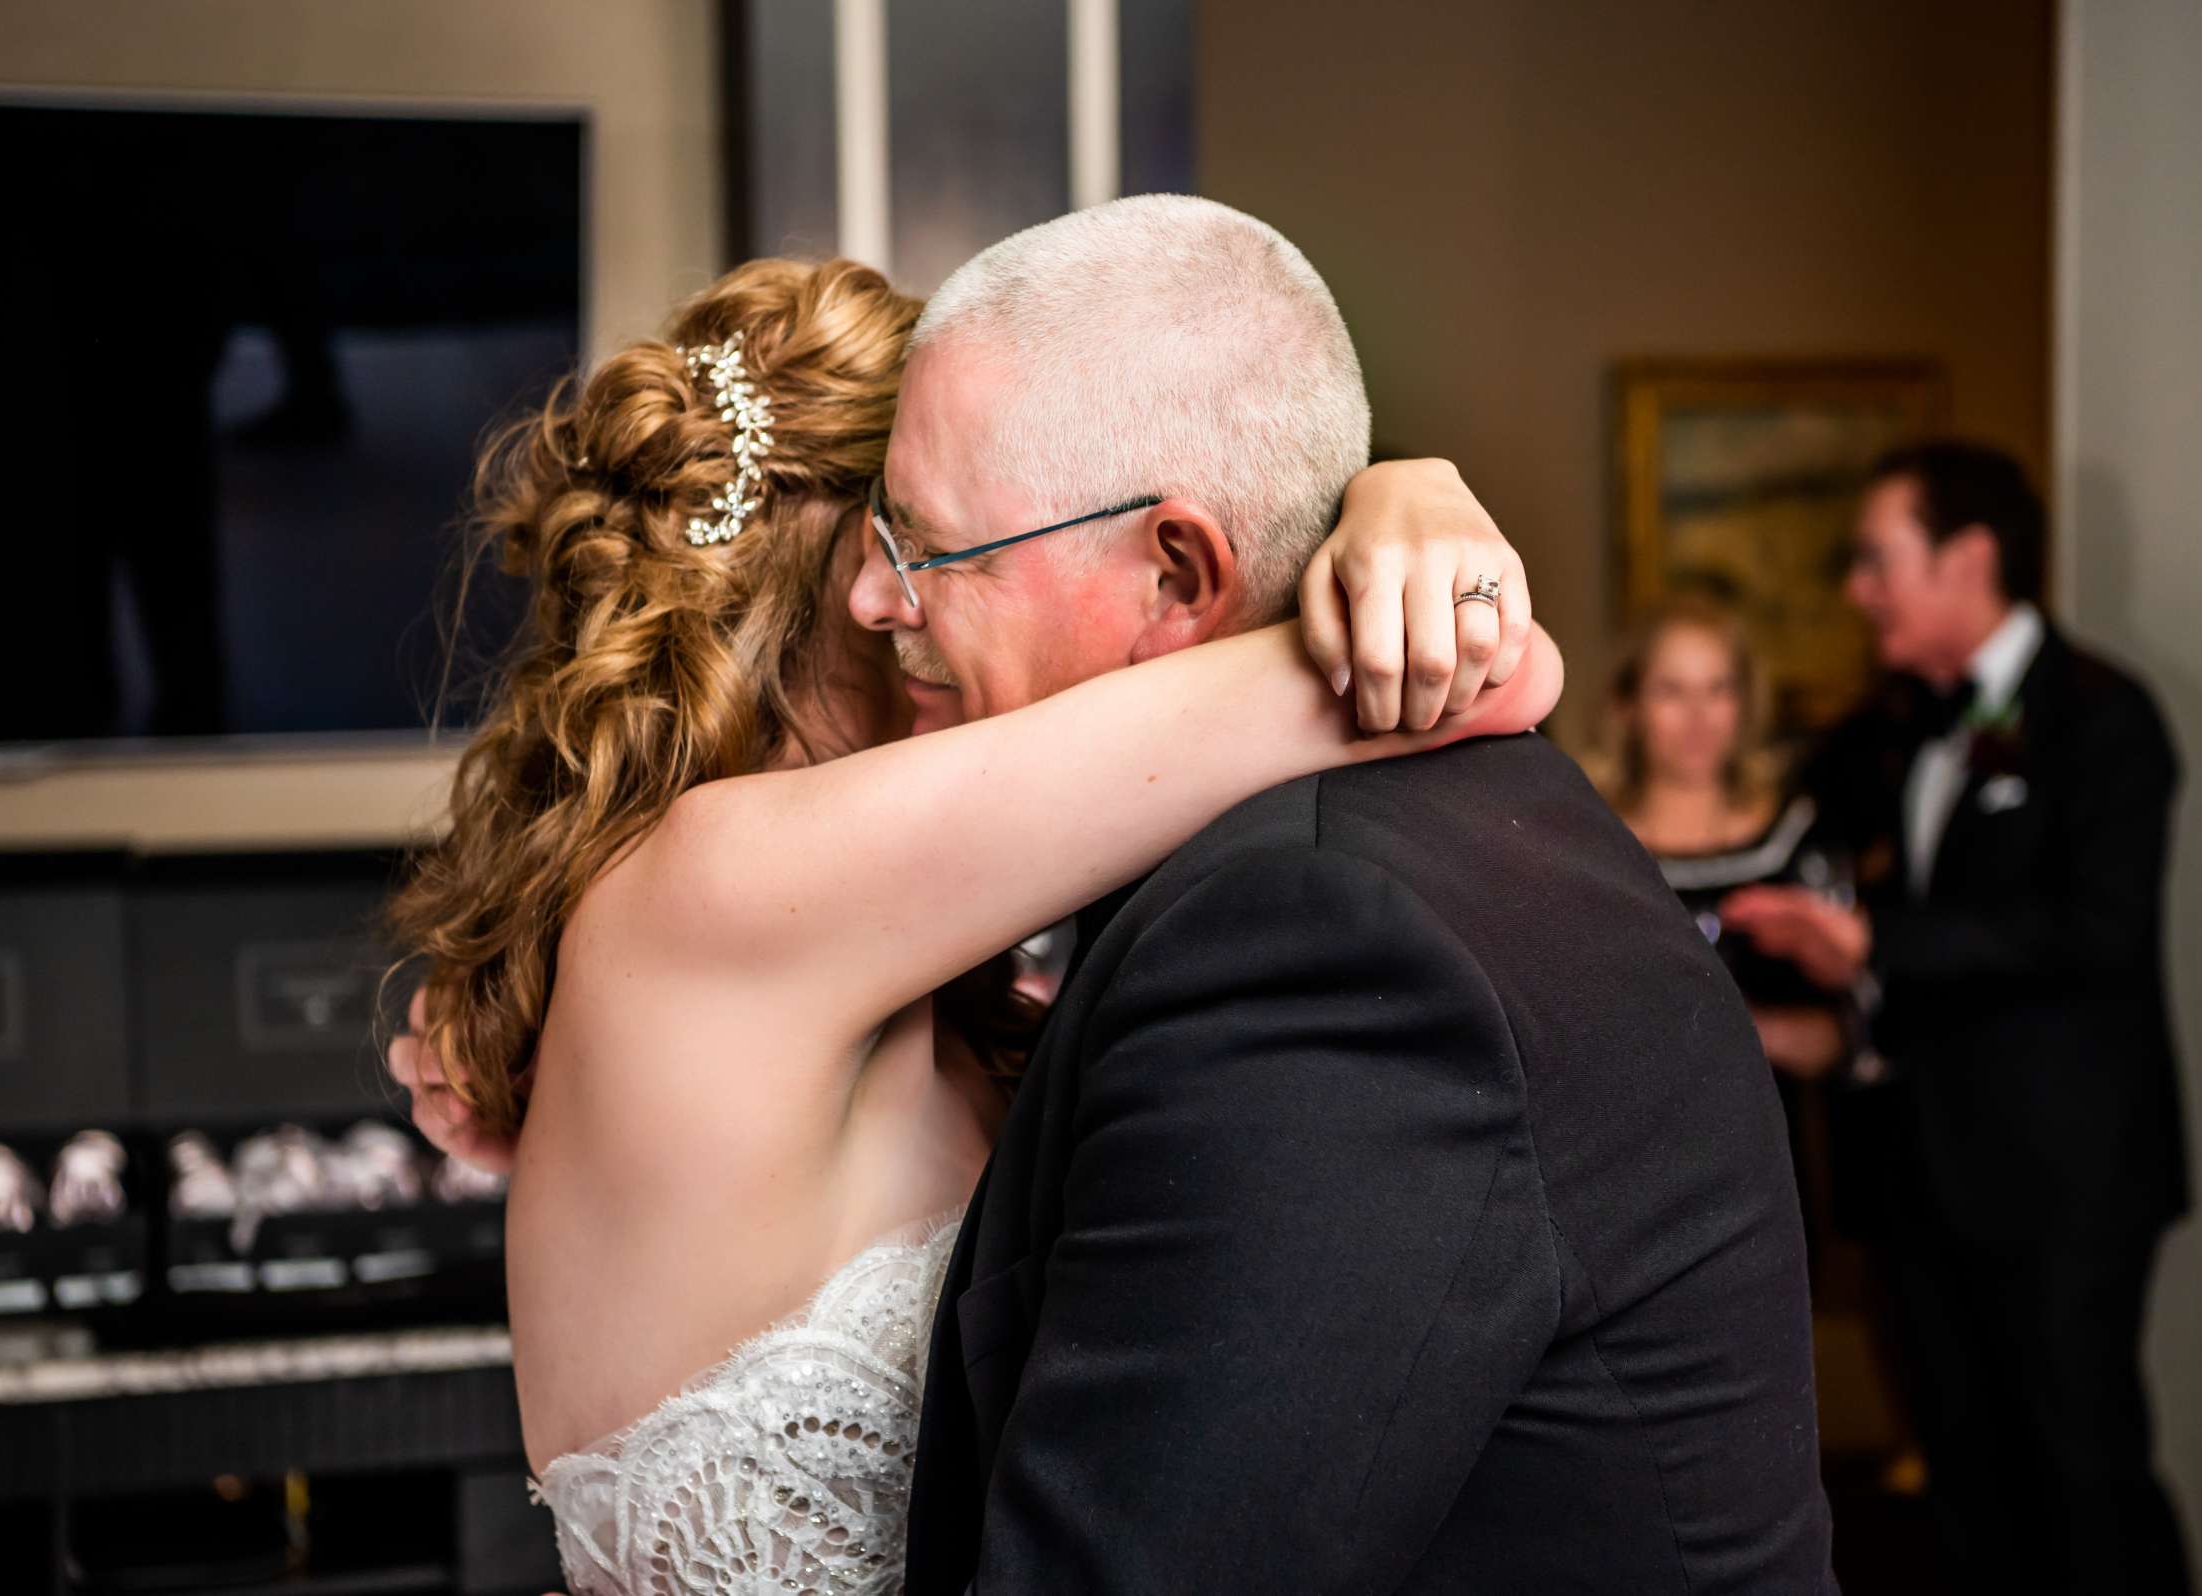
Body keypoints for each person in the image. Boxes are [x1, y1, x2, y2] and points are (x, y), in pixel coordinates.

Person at [382, 252, 1563, 1595]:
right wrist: (1413, 497)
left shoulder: (824, 948)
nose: (917, 590)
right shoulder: (724, 887)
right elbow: (1487, 665)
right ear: (833, 563)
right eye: (918, 533)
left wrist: (1393, 492)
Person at [847, 197, 1831, 1593]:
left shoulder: (1311, 945)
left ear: (1178, 571)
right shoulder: (1409, 817)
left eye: (925, 549)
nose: (877, 605)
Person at [1721, 438, 2191, 1595]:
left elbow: (2097, 931)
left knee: (2084, 1476)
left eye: (1878, 561)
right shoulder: (1885, 730)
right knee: (1962, 1486)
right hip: (1911, 1173)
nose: (1856, 591)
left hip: (2061, 1181)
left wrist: (1875, 944)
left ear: (1969, 557)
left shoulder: (2105, 719)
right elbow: (1773, 832)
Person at [1590, 597, 1857, 1080]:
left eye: (1719, 689)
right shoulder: (1589, 845)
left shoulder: (1796, 837)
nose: (1699, 717)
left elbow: (1845, 1029)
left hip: (1781, 1132)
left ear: (1745, 702)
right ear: (1628, 706)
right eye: (1672, 691)